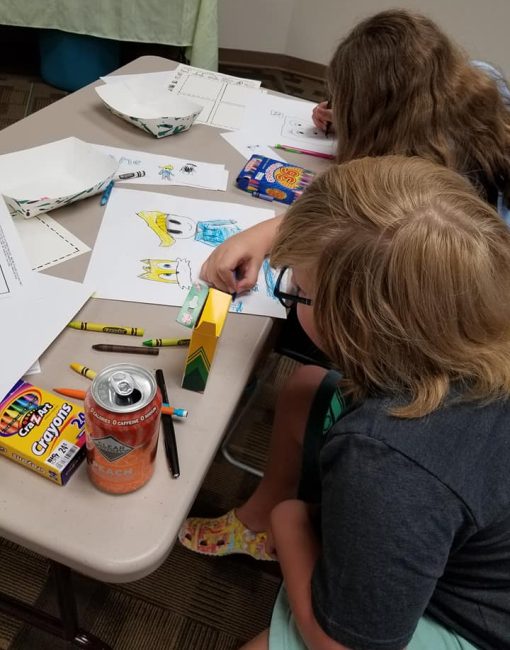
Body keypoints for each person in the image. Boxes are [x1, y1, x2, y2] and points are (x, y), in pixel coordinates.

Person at [180, 156, 510, 650]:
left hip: (474, 625)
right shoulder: (475, 310)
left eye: (299, 291)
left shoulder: (386, 462)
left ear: (357, 329)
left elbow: (345, 646)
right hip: (472, 531)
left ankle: (272, 521)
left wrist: (290, 521)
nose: (293, 293)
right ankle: (256, 520)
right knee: (306, 389)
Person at [201, 9, 510, 297]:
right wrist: (350, 115)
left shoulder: (426, 177)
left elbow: (356, 216)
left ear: (382, 117)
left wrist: (259, 235)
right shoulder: (479, 80)